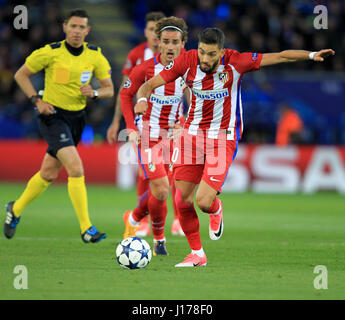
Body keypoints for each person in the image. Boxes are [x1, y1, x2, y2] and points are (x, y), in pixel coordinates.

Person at [133, 27, 335, 266]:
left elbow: (279, 56)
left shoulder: (236, 62)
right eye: (202, 52)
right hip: (191, 136)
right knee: (181, 200)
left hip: (222, 137)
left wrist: (311, 55)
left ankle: (216, 208)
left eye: (211, 54)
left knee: (204, 202)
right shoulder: (186, 61)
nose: (205, 59)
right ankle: (197, 253)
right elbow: (147, 85)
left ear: (221, 52)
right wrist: (143, 99)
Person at [4, 9, 114, 243]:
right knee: (76, 168)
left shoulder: (95, 56)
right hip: (52, 116)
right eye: (73, 26)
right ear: (65, 27)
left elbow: (109, 89)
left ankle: (15, 209)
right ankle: (87, 229)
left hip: (77, 119)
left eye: (81, 27)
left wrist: (94, 92)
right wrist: (37, 101)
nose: (76, 31)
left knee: (48, 173)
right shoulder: (50, 52)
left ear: (87, 30)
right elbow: (21, 75)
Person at [120, 16, 188, 255]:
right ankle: (159, 239)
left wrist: (184, 122)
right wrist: (130, 128)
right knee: (160, 189)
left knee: (163, 189)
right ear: (158, 43)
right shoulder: (146, 68)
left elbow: (198, 99)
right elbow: (125, 95)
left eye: (175, 42)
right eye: (166, 41)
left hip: (173, 137)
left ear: (183, 43)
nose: (170, 46)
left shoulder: (191, 68)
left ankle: (135, 216)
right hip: (148, 134)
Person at [107, 11, 166, 237]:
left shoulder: (178, 59)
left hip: (171, 128)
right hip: (145, 127)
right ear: (146, 31)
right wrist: (117, 122)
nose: (154, 35)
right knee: (148, 177)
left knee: (168, 183)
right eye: (151, 30)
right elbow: (125, 91)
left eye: (158, 31)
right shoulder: (137, 56)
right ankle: (142, 221)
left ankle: (141, 216)